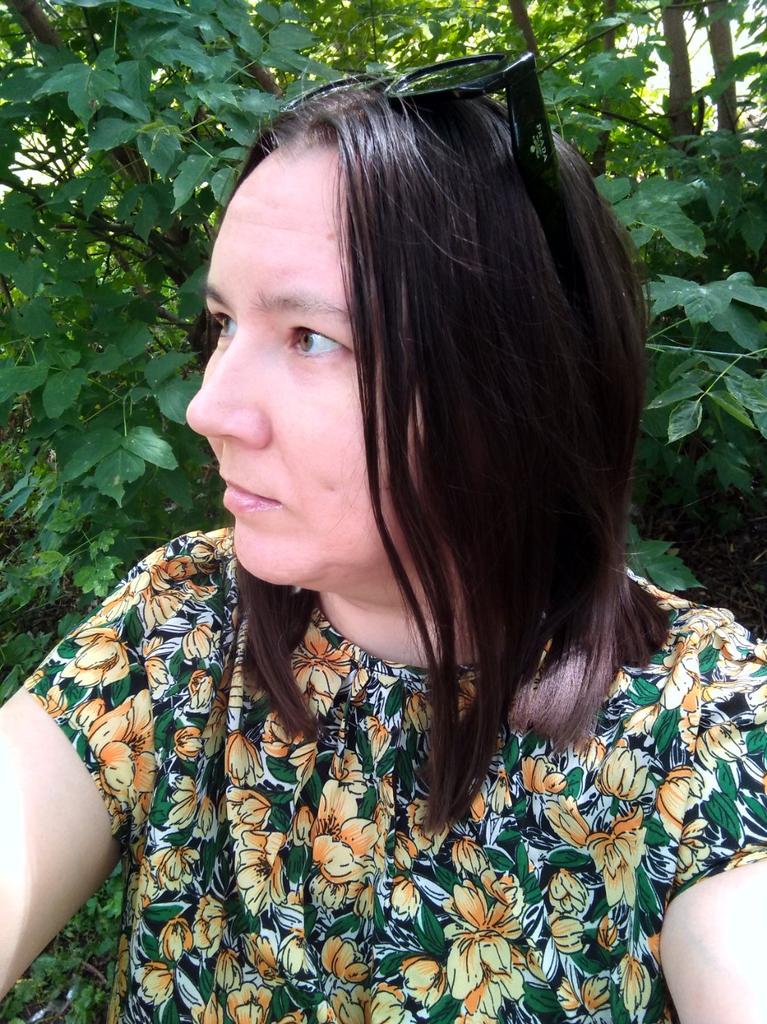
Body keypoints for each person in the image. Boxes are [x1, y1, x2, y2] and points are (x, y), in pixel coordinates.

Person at [1, 52, 766, 1024]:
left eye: (310, 338)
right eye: (222, 322)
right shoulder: (175, 628)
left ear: (508, 386)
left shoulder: (696, 720)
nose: (207, 407)